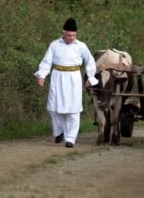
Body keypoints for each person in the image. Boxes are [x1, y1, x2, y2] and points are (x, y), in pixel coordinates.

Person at [34, 18, 98, 148]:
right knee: (53, 107)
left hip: (74, 78)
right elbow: (47, 61)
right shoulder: (55, 45)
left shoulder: (81, 46)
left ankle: (70, 138)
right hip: (57, 77)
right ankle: (59, 132)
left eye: (73, 35)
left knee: (73, 109)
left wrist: (90, 78)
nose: (71, 38)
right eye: (69, 35)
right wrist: (42, 75)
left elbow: (90, 62)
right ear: (63, 33)